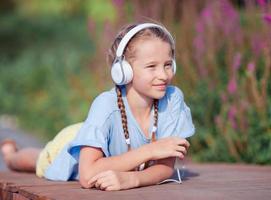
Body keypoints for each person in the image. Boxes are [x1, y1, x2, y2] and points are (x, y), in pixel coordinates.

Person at [0, 22, 195, 191]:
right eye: (152, 66)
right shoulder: (106, 104)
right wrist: (151, 150)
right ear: (123, 71)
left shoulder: (172, 100)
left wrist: (132, 179)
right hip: (78, 142)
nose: (163, 75)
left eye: (168, 64)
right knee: (42, 160)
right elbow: (87, 175)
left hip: (101, 143)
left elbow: (165, 168)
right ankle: (10, 154)